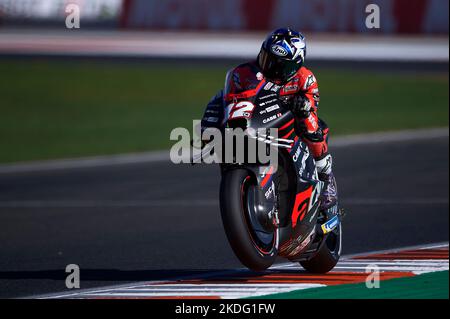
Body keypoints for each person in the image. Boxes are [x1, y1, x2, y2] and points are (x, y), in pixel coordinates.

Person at [200, 28, 337, 209]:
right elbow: (232, 94)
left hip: (287, 122)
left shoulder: (305, 78)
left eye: (279, 65)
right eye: (268, 59)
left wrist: (304, 102)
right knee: (213, 116)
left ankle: (326, 178)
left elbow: (313, 100)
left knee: (311, 123)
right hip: (257, 121)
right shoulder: (245, 72)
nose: (270, 67)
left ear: (294, 65)